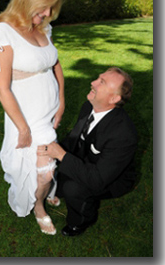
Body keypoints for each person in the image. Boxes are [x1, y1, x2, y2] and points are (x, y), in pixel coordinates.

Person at [0, 0, 65, 235]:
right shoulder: (3, 33)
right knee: (44, 169)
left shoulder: (43, 27)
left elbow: (55, 63)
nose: (46, 14)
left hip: (49, 110)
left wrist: (62, 100)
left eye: (50, 9)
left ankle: (45, 192)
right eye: (43, 8)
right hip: (26, 115)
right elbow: (1, 87)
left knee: (45, 164)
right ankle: (39, 206)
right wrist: (22, 128)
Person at [37, 67, 138, 236]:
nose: (92, 83)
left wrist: (61, 155)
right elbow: (74, 138)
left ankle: (79, 222)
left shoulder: (123, 135)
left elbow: (97, 180)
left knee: (73, 189)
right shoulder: (88, 106)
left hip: (111, 180)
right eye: (98, 78)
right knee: (53, 182)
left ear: (114, 98)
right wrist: (52, 149)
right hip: (86, 163)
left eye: (101, 82)